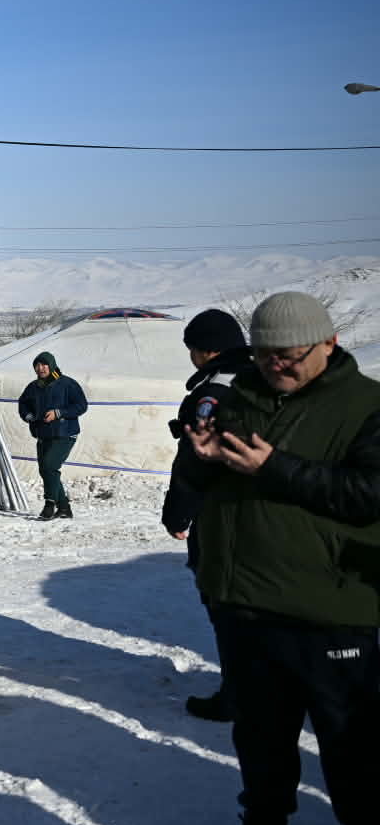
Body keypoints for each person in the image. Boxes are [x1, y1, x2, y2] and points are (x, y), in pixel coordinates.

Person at [176, 291, 379, 825]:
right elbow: (205, 477)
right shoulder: (242, 396)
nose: (275, 368)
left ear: (328, 345)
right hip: (245, 600)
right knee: (259, 735)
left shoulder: (367, 407)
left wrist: (276, 469)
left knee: (351, 747)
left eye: (288, 357)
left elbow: (368, 495)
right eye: (264, 357)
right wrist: (203, 463)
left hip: (330, 605)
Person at [162, 308, 250, 722]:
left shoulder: (213, 391)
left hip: (225, 514)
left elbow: (195, 462)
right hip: (272, 508)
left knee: (227, 603)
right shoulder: (263, 378)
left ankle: (238, 692)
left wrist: (178, 515)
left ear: (206, 350)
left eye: (193, 350)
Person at [18, 352, 86, 520]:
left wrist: (59, 413)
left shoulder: (67, 384)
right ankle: (64, 508)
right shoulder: (34, 387)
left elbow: (81, 405)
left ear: (52, 365)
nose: (40, 368)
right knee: (47, 470)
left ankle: (50, 503)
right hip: (43, 434)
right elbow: (23, 403)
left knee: (49, 466)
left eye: (44, 364)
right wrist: (28, 416)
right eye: (37, 365)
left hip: (65, 433)